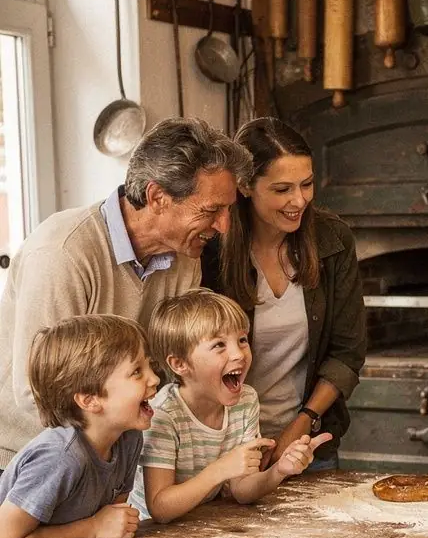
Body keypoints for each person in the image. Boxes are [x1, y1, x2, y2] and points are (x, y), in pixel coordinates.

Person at [0, 117, 252, 469]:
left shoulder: (185, 255)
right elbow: (36, 391)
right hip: (27, 458)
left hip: (110, 456)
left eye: (227, 210)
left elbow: (174, 362)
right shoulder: (63, 252)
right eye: (211, 210)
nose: (223, 226)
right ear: (157, 197)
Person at [201, 118, 366, 471]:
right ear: (245, 185)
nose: (299, 200)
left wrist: (303, 422)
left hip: (307, 444)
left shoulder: (332, 241)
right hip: (223, 447)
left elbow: (347, 353)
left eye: (307, 184)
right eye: (282, 189)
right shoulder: (209, 251)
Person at [131, 289, 331, 523]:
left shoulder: (245, 402)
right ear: (180, 364)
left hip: (197, 522)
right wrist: (220, 469)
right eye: (219, 345)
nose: (239, 354)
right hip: (149, 532)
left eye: (242, 340)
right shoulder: (163, 415)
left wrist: (278, 471)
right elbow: (160, 508)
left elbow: (241, 489)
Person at [0, 315, 158, 538]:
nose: (155, 379)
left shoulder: (128, 438)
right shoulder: (60, 457)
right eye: (137, 371)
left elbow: (115, 523)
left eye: (149, 365)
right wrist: (92, 528)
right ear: (89, 399)